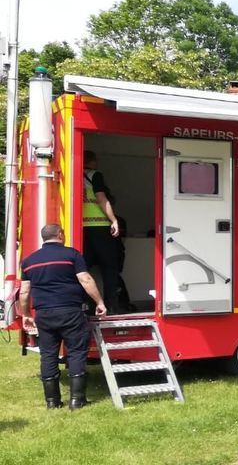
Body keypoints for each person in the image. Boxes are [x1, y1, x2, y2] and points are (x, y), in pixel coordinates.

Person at [17, 224, 107, 410]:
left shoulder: (28, 261)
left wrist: (26, 314)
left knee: (48, 355)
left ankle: (52, 402)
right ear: (60, 234)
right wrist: (99, 302)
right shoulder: (72, 255)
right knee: (75, 353)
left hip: (44, 314)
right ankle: (77, 400)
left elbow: (24, 292)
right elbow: (85, 280)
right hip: (70, 312)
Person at [81, 149, 124, 314]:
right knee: (109, 267)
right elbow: (101, 198)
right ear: (92, 161)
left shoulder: (73, 174)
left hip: (82, 228)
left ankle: (85, 305)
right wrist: (114, 220)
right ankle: (111, 305)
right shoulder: (94, 175)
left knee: (83, 268)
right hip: (100, 227)